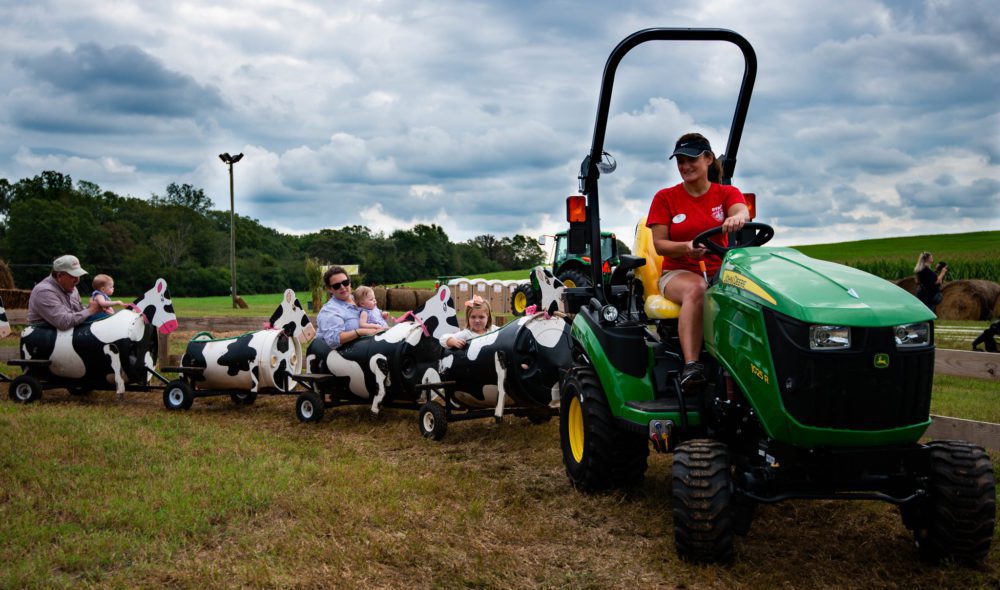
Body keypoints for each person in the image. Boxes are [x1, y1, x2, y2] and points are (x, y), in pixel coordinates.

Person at [647, 133, 750, 389]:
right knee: (698, 289)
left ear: (708, 159)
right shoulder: (665, 197)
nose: (685, 166)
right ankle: (692, 366)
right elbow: (660, 245)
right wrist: (685, 247)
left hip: (720, 273)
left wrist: (737, 218)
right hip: (678, 273)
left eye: (691, 159)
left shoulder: (725, 193)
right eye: (680, 161)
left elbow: (741, 209)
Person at [27, 254, 103, 330]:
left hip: (64, 335)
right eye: (73, 276)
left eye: (78, 275)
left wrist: (93, 307)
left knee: (104, 316)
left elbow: (78, 313)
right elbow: (63, 322)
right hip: (43, 336)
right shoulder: (44, 291)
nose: (77, 280)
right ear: (59, 276)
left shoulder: (71, 287)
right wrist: (91, 310)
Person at [316, 266, 385, 348]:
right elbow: (334, 339)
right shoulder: (330, 310)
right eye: (336, 286)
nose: (342, 287)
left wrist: (381, 315)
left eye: (345, 282)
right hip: (341, 356)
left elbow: (373, 312)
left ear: (350, 283)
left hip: (372, 345)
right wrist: (359, 332)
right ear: (330, 289)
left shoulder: (360, 299)